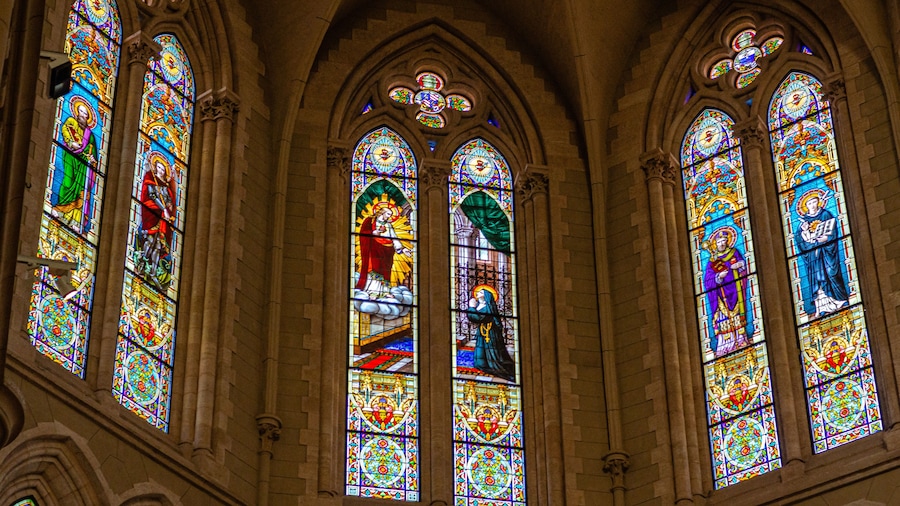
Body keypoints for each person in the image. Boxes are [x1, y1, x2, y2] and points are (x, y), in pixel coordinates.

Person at [796, 192, 849, 318]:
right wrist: (805, 232)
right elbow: (800, 241)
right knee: (817, 279)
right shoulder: (803, 222)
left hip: (826, 252)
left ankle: (839, 301)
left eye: (814, 201)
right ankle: (821, 308)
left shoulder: (825, 214)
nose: (812, 205)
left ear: (819, 202)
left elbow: (833, 231)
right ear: (805, 206)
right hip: (813, 256)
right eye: (809, 203)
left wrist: (826, 238)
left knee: (831, 272)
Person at [703, 228, 753, 357]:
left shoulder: (734, 252)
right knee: (723, 319)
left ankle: (741, 340)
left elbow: (743, 265)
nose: (721, 243)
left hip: (736, 290)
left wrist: (739, 265)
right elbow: (707, 279)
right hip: (721, 294)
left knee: (737, 317)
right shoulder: (712, 261)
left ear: (728, 241)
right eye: (719, 241)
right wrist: (718, 277)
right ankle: (725, 345)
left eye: (724, 240)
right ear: (715, 243)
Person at [53, 100, 98, 230]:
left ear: (88, 117)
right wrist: (71, 142)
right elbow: (65, 130)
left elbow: (93, 151)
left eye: (85, 114)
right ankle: (60, 210)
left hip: (83, 165)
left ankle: (76, 221)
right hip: (71, 157)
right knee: (67, 182)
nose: (82, 115)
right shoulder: (71, 121)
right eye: (80, 112)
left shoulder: (90, 134)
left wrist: (92, 158)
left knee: (81, 190)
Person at [137, 155, 177, 287]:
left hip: (162, 218)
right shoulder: (151, 180)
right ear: (155, 167)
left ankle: (153, 273)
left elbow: (168, 199)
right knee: (150, 241)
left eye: (163, 169)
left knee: (159, 245)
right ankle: (142, 263)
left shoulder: (165, 185)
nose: (161, 171)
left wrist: (169, 205)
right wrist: (163, 208)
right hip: (153, 215)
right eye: (159, 167)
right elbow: (152, 196)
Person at [355, 203, 410, 296]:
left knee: (386, 271)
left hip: (388, 251)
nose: (389, 216)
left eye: (390, 215)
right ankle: (372, 291)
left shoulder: (388, 225)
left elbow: (394, 237)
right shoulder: (370, 221)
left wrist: (403, 249)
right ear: (382, 212)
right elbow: (363, 233)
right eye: (388, 214)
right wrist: (375, 232)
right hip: (374, 248)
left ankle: (384, 292)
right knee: (375, 268)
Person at [467, 286, 516, 382]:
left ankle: (494, 364)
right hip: (482, 332)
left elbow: (478, 318)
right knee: (481, 349)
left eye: (481, 292)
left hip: (490, 333)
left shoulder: (488, 307)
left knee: (492, 350)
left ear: (486, 296)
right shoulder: (479, 305)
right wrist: (473, 307)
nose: (478, 293)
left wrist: (471, 307)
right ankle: (482, 363)